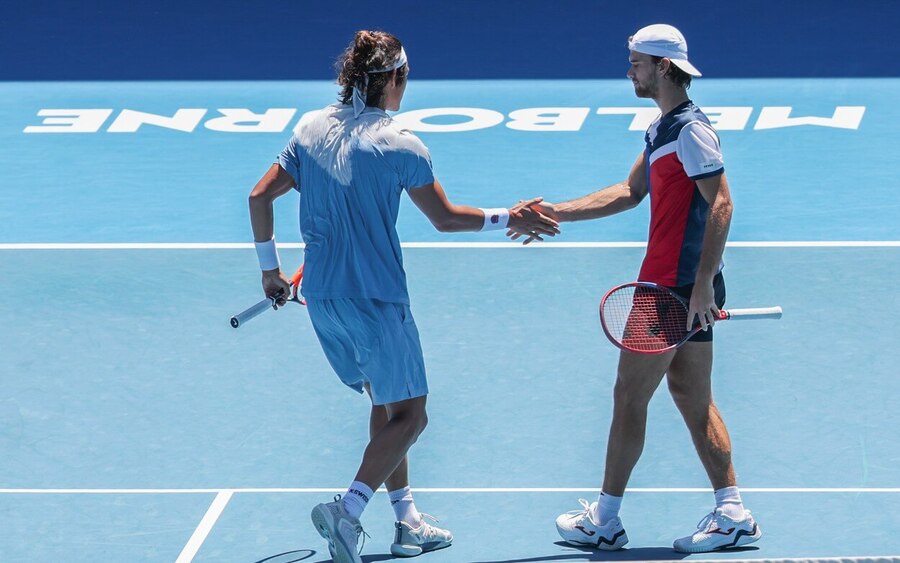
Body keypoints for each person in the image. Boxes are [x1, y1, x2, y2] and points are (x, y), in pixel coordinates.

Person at [247, 30, 559, 563]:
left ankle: (407, 521)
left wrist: (270, 273)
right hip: (376, 299)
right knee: (412, 416)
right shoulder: (401, 143)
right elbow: (445, 219)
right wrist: (514, 216)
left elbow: (258, 196)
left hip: (321, 298)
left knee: (387, 403)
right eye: (404, 79)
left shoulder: (309, 130)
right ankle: (347, 511)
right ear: (392, 79)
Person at [514, 24, 761, 553]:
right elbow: (630, 192)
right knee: (692, 398)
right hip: (681, 285)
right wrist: (558, 211)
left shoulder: (691, 131)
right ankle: (733, 512)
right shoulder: (663, 130)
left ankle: (604, 520)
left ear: (664, 68)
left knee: (630, 395)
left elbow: (722, 203)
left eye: (637, 62)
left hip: (672, 289)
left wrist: (697, 288)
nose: (629, 70)